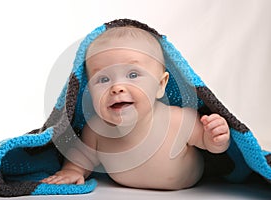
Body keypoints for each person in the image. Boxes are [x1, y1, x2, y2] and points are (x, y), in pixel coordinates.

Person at [41, 26, 230, 190]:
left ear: (160, 85)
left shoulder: (179, 120)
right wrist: (71, 171)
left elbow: (211, 146)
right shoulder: (97, 131)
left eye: (132, 74)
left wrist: (216, 137)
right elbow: (82, 157)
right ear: (89, 91)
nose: (117, 88)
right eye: (104, 79)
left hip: (192, 182)